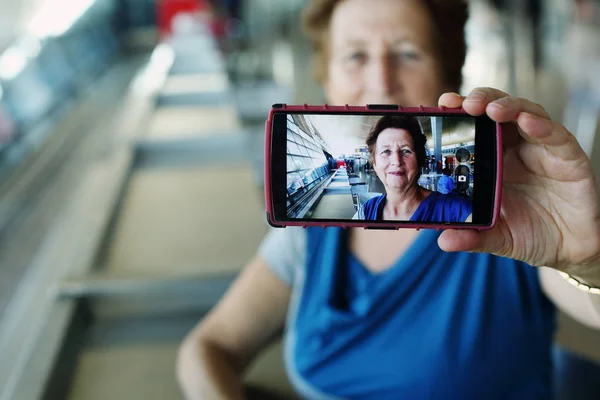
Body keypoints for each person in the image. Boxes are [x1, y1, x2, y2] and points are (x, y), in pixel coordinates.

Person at [176, 1, 600, 399]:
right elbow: (207, 346)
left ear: (448, 73)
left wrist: (586, 260)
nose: (381, 80)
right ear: (327, 77)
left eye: (408, 53)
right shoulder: (312, 232)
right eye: (355, 55)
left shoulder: (504, 221)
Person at [358, 115, 471, 222]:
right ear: (374, 163)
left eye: (406, 151)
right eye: (386, 151)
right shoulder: (367, 211)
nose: (397, 162)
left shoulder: (457, 210)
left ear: (419, 160)